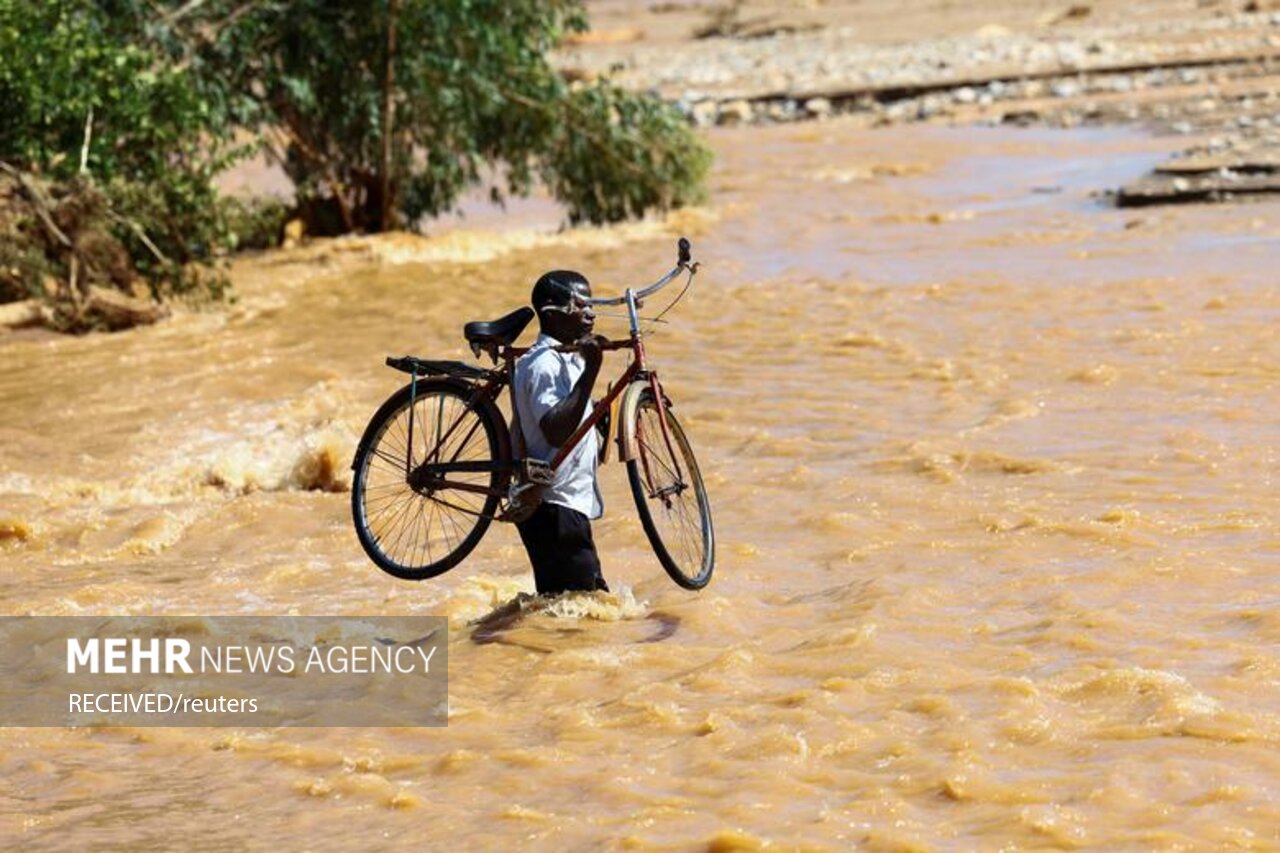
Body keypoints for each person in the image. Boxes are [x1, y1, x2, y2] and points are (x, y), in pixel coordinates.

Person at [511, 270, 609, 595]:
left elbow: (578, 419)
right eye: (581, 304)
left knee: (568, 613)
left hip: (565, 508)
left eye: (591, 305)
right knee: (580, 613)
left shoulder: (568, 359)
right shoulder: (543, 365)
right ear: (552, 312)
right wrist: (592, 370)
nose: (590, 313)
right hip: (553, 508)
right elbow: (555, 430)